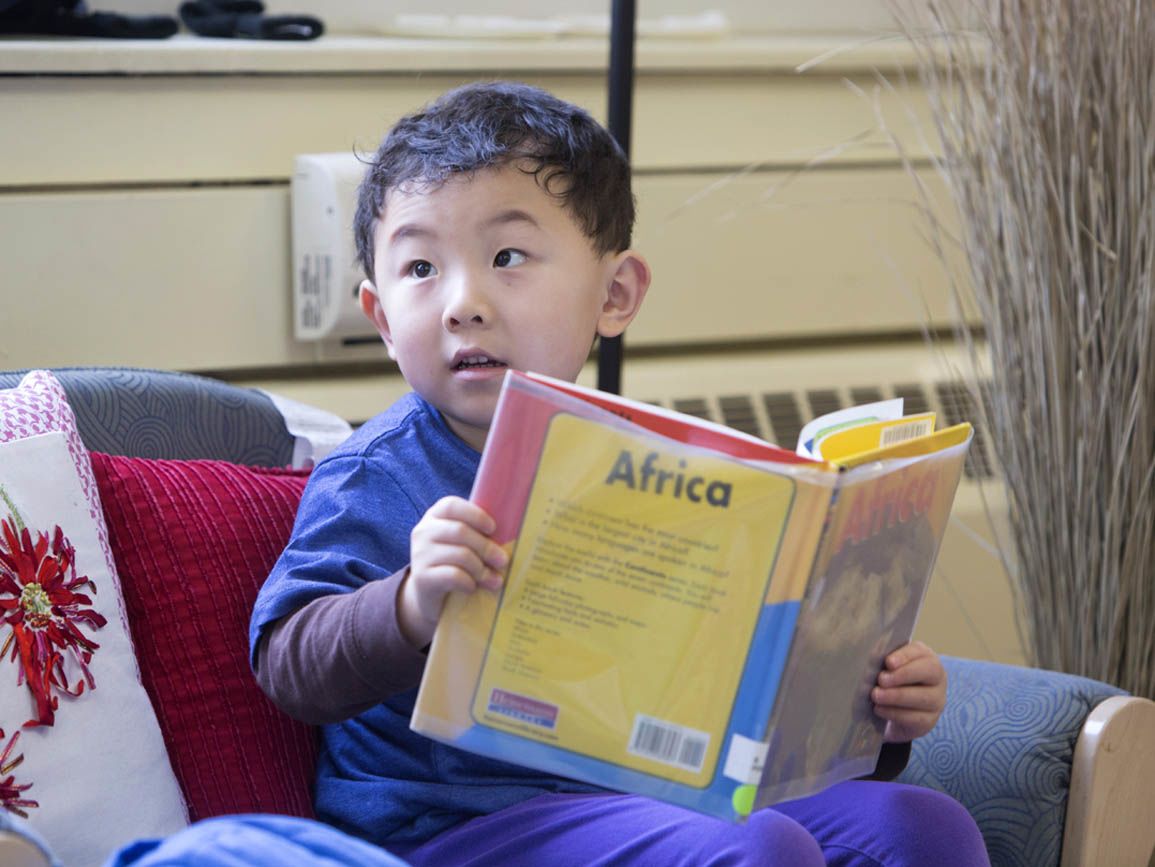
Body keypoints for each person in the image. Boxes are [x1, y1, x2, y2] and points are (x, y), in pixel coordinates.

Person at [249, 80, 989, 867]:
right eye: (421, 267)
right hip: (451, 828)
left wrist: (869, 709)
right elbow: (286, 662)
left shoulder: (659, 469)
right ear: (381, 319)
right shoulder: (374, 473)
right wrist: (409, 603)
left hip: (638, 795)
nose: (462, 303)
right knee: (759, 848)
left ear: (615, 294)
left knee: (920, 827)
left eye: (506, 257)